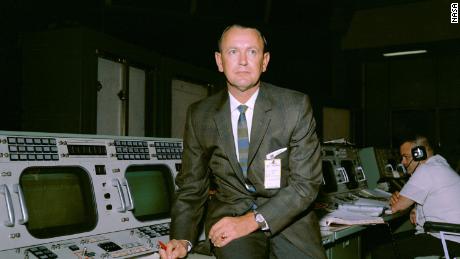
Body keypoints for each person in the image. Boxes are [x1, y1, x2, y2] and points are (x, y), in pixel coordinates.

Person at [160, 24, 326, 259]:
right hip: (230, 216)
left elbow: (306, 184)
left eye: (252, 52)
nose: (243, 61)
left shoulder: (295, 107)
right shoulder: (200, 115)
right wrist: (181, 238)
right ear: (219, 61)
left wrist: (253, 221)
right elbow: (191, 186)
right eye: (233, 52)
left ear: (265, 61)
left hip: (290, 217)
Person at [372, 135, 460, 258]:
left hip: (446, 239)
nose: (402, 162)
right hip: (453, 236)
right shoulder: (439, 163)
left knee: (381, 252)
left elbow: (397, 207)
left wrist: (399, 201)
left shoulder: (425, 170)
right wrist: (416, 209)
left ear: (420, 154)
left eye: (406, 157)